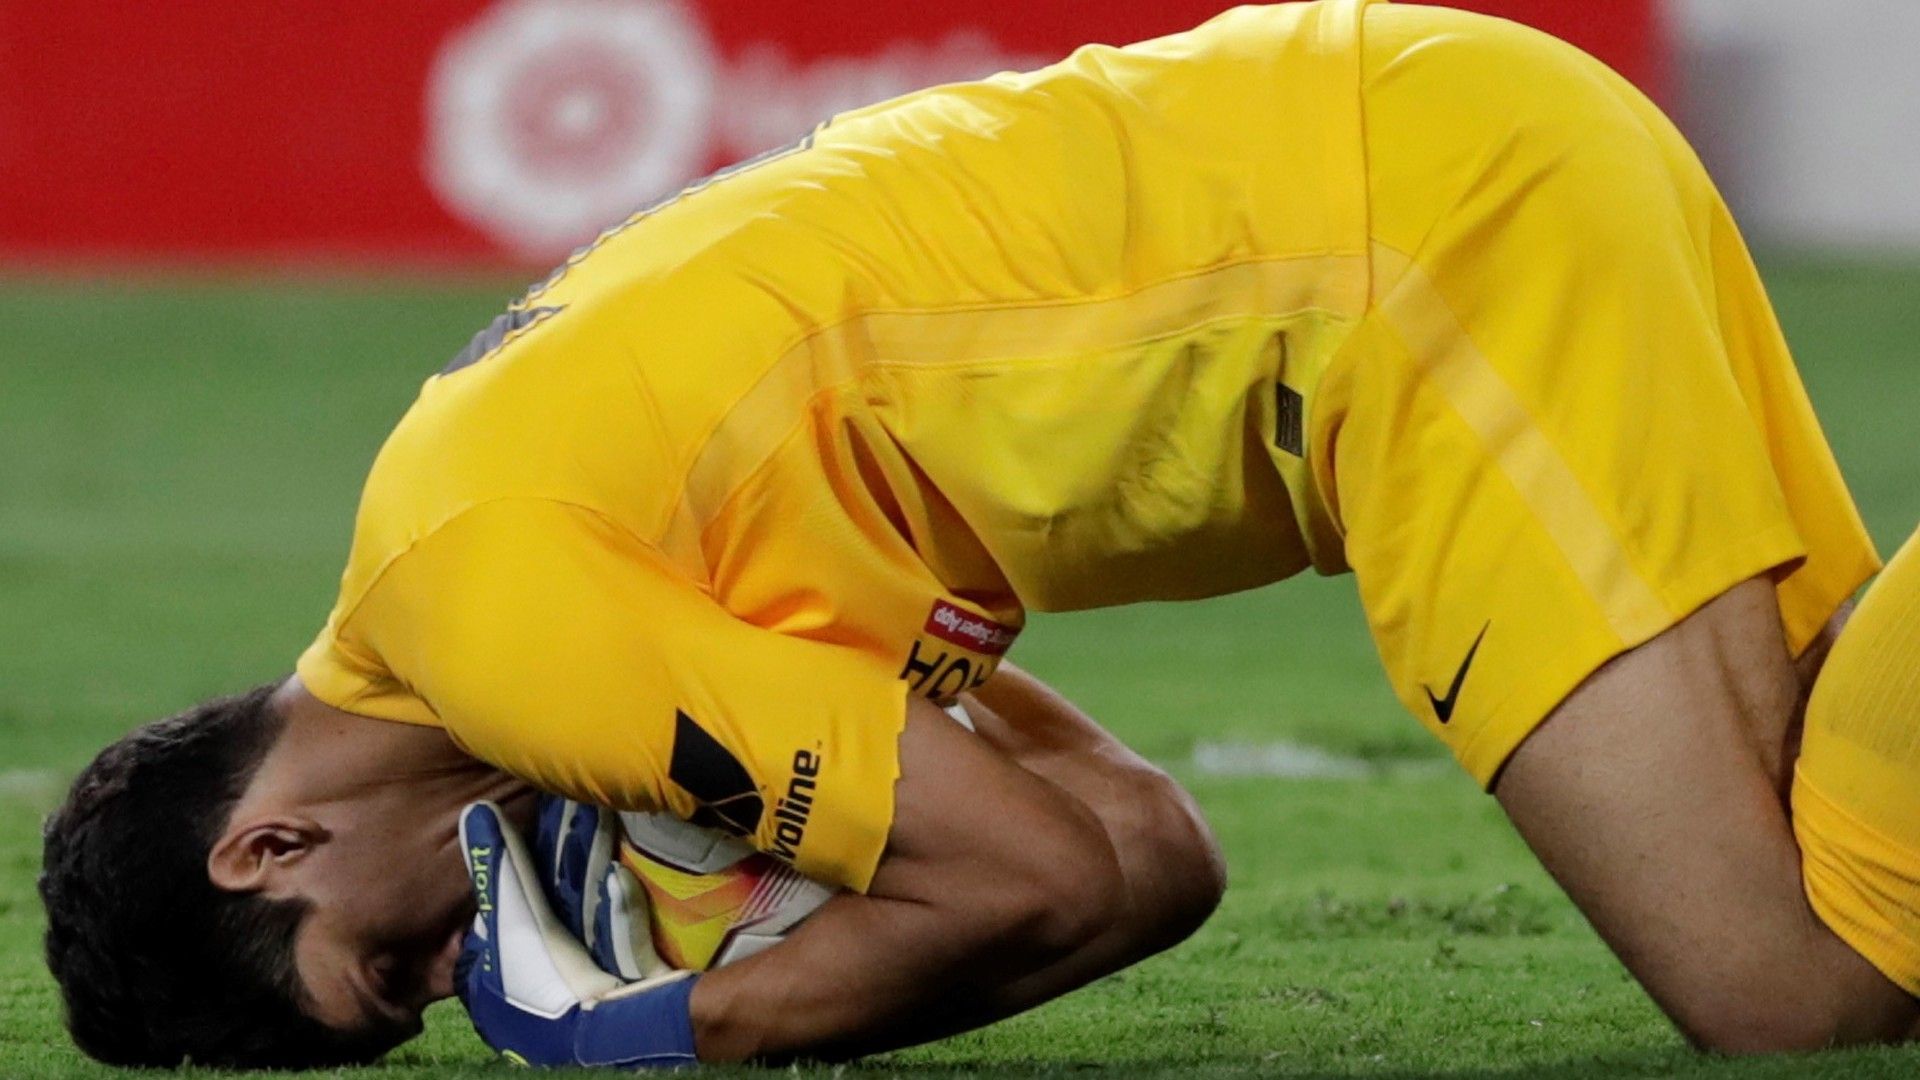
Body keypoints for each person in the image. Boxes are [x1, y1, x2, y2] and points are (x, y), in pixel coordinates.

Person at [37, 0, 1920, 1067]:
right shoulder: (476, 569)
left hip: (1398, 261)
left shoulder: (508, 633)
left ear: (266, 842)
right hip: (1433, 149)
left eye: (387, 972)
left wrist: (685, 1033)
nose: (459, 983)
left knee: (1784, 984)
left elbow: (1032, 873)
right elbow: (1140, 856)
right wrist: (779, 947)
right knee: (1861, 852)